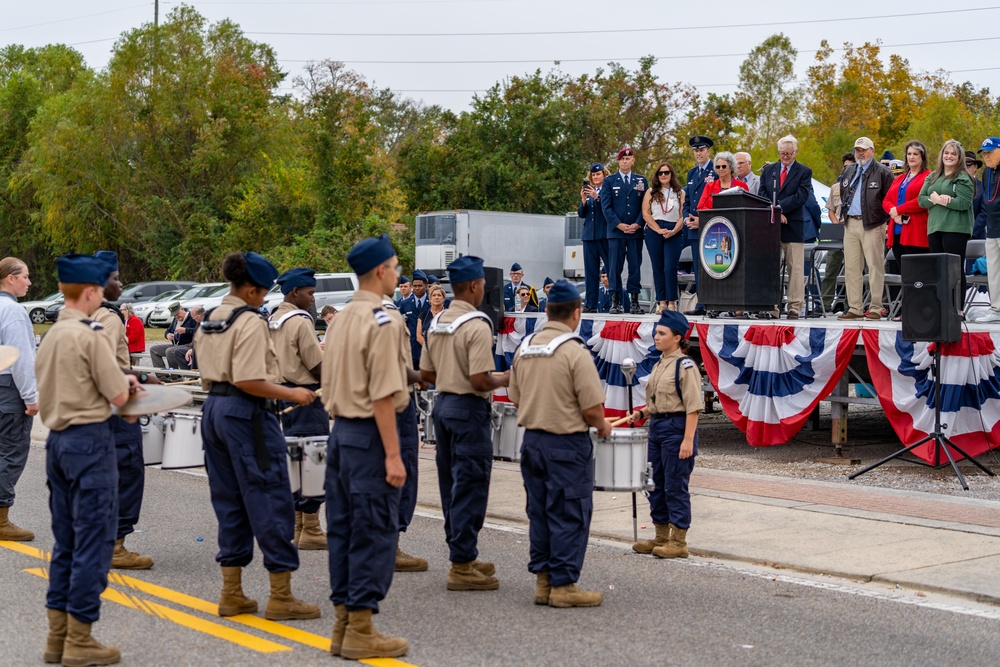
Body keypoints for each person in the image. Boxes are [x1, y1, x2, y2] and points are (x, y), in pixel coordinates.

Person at [195, 252, 320, 623]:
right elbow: (249, 380)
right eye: (262, 293)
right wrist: (294, 394)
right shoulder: (249, 321)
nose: (264, 299)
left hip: (214, 411)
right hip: (247, 414)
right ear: (250, 289)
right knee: (270, 497)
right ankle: (281, 596)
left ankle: (231, 592)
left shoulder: (212, 318)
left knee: (229, 500)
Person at [37, 253, 136, 666]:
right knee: (93, 542)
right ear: (93, 291)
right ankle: (81, 638)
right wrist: (129, 386)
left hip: (57, 442)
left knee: (66, 542)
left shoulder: (53, 335)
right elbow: (119, 399)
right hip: (89, 443)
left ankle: (57, 638)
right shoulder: (90, 334)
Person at [322, 235, 409, 659]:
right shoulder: (383, 320)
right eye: (394, 267)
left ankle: (343, 623)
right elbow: (382, 394)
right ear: (380, 271)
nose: (397, 275)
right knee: (373, 529)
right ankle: (360, 627)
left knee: (343, 530)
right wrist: (393, 455)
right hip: (369, 436)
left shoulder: (340, 319)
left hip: (340, 434)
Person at [508, 280, 611, 607]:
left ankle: (543, 582)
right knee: (569, 512)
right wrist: (604, 426)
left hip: (532, 442)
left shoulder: (526, 347)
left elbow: (514, 396)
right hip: (566, 446)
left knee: (539, 512)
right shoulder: (574, 351)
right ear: (576, 314)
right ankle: (564, 585)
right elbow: (592, 409)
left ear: (547, 310)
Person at [420, 255, 509, 591]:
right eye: (483, 285)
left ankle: (464, 553)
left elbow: (427, 374)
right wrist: (507, 378)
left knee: (450, 484)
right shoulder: (477, 323)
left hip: (442, 405)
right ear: (474, 286)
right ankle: (460, 564)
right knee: (471, 484)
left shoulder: (438, 321)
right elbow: (479, 379)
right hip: (468, 409)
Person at [91, 251, 157, 571]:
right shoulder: (109, 315)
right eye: (116, 278)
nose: (120, 284)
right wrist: (143, 377)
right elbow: (103, 365)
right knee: (127, 471)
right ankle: (115, 546)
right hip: (113, 409)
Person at [627, 310, 703, 560]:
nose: (656, 336)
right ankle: (661, 536)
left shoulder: (685, 365)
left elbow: (692, 406)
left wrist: (688, 440)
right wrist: (642, 414)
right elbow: (660, 400)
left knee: (674, 485)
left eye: (662, 333)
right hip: (658, 427)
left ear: (677, 337)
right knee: (654, 483)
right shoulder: (660, 363)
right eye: (656, 332)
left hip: (676, 429)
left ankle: (678, 540)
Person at [269, 268, 328, 551]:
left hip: (282, 396)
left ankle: (298, 527)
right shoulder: (300, 321)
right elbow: (317, 366)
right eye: (310, 293)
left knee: (293, 465)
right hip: (306, 397)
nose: (312, 299)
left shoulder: (274, 318)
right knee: (313, 464)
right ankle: (312, 528)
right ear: (295, 292)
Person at [378, 291, 429, 573]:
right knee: (401, 471)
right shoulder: (390, 316)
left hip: (357, 413)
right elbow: (395, 370)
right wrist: (424, 376)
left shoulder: (350, 313)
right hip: (395, 404)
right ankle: (391, 546)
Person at [758, 135, 816, 320]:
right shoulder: (769, 171)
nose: (785, 157)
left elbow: (801, 196)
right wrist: (775, 211)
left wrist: (780, 208)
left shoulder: (804, 171)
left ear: (795, 152)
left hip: (793, 225)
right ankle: (771, 306)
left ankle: (794, 307)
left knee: (795, 269)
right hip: (772, 225)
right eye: (782, 153)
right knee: (770, 267)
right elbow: (762, 194)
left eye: (789, 154)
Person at [0, 257, 37, 542]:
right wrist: (31, 397)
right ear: (10, 278)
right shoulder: (12, 311)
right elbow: (20, 359)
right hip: (8, 390)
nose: (29, 281)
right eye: (25, 276)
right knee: (11, 453)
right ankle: (1, 518)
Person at [837, 137, 893, 321]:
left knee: (875, 266)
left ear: (872, 151)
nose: (860, 153)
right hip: (851, 223)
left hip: (873, 224)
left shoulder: (883, 172)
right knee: (852, 267)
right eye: (857, 150)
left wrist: (881, 220)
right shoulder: (849, 170)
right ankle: (855, 307)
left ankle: (876, 307)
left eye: (864, 149)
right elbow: (844, 193)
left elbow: (889, 199)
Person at [918, 139, 976, 305]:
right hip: (935, 228)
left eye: (953, 154)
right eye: (946, 153)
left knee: (955, 270)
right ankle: (940, 307)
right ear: (941, 155)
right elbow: (921, 200)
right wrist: (936, 199)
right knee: (938, 271)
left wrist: (946, 201)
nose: (949, 156)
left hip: (955, 229)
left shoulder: (964, 177)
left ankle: (957, 308)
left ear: (959, 158)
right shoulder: (933, 176)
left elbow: (964, 203)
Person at [601, 147, 648, 314]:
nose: (625, 161)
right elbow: (606, 207)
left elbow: (645, 206)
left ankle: (634, 301)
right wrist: (618, 225)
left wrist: (638, 223)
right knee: (615, 267)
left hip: (635, 231)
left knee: (635, 267)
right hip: (616, 232)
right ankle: (615, 301)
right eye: (622, 159)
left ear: (633, 160)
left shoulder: (641, 180)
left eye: (628, 159)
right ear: (618, 161)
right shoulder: (609, 181)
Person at [883, 141, 931, 291]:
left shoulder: (928, 177)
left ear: (922, 157)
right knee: (905, 275)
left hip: (915, 232)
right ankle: (906, 311)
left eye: (915, 154)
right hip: (896, 231)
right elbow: (886, 200)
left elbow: (922, 201)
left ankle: (921, 310)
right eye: (909, 154)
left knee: (918, 276)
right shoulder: (899, 178)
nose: (911, 157)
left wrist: (900, 209)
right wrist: (893, 211)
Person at [642, 161, 686, 314]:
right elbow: (646, 214)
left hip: (673, 231)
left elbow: (682, 215)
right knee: (658, 266)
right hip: (655, 230)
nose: (663, 175)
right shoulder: (650, 192)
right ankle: (661, 302)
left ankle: (672, 301)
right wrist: (658, 229)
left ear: (671, 174)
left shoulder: (680, 192)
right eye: (660, 173)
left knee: (670, 267)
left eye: (666, 172)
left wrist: (673, 231)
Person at [681, 136, 717, 316]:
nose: (698, 153)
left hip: (710, 227)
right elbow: (687, 200)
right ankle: (702, 302)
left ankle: (714, 302)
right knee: (698, 266)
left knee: (712, 265)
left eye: (702, 149)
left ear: (708, 151)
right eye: (696, 150)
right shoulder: (692, 173)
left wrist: (701, 220)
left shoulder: (716, 170)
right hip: (694, 228)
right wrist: (686, 217)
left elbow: (717, 200)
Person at [822, 153, 855, 312]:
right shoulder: (836, 187)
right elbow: (831, 210)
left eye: (850, 166)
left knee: (852, 270)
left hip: (853, 229)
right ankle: (825, 304)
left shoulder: (858, 185)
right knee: (831, 269)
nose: (846, 169)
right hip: (837, 230)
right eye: (844, 167)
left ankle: (851, 305)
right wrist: (836, 225)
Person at [973, 137, 1000, 323]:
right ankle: (996, 310)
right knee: (994, 271)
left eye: (990, 152)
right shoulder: (987, 173)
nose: (986, 156)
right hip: (992, 229)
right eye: (984, 153)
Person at [579, 163, 611, 313]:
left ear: (604, 175)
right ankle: (590, 303)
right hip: (589, 235)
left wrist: (597, 197)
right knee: (590, 271)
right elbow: (581, 214)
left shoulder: (607, 190)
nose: (595, 177)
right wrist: (584, 200)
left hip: (604, 234)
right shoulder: (589, 192)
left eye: (598, 174)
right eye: (593, 175)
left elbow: (608, 210)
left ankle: (614, 300)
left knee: (611, 268)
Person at [399, 270, 429, 368]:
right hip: (412, 347)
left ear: (426, 286)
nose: (417, 288)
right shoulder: (405, 304)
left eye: (420, 286)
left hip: (427, 347)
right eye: (415, 286)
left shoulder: (432, 302)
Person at [416, 284, 448, 349]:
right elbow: (419, 336)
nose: (436, 297)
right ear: (430, 298)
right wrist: (430, 348)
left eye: (439, 295)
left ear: (443, 298)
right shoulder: (423, 315)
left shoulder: (448, 315)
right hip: (427, 351)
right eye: (434, 295)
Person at [967, 150, 987, 241]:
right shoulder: (952, 186)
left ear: (975, 167)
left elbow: (985, 213)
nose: (964, 169)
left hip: (977, 237)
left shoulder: (983, 187)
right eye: (961, 165)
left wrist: (971, 232)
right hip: (955, 236)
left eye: (968, 165)